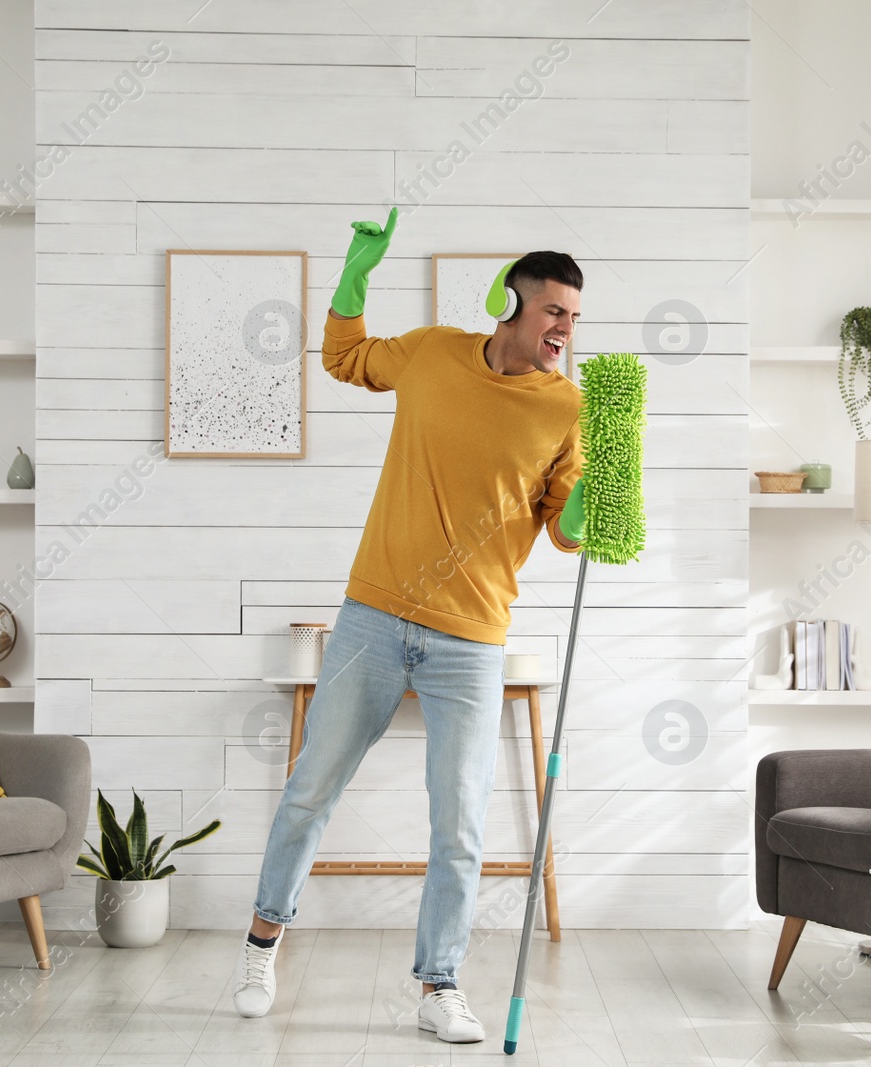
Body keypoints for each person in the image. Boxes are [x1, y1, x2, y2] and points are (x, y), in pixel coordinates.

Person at [232, 208, 586, 1044]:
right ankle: (259, 944)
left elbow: (567, 532)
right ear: (512, 303)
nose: (564, 330)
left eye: (573, 316)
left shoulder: (567, 407)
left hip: (473, 635)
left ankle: (439, 984)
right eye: (552, 312)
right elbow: (345, 357)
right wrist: (354, 278)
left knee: (458, 821)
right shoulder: (432, 353)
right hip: (375, 615)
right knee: (312, 786)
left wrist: (606, 481)